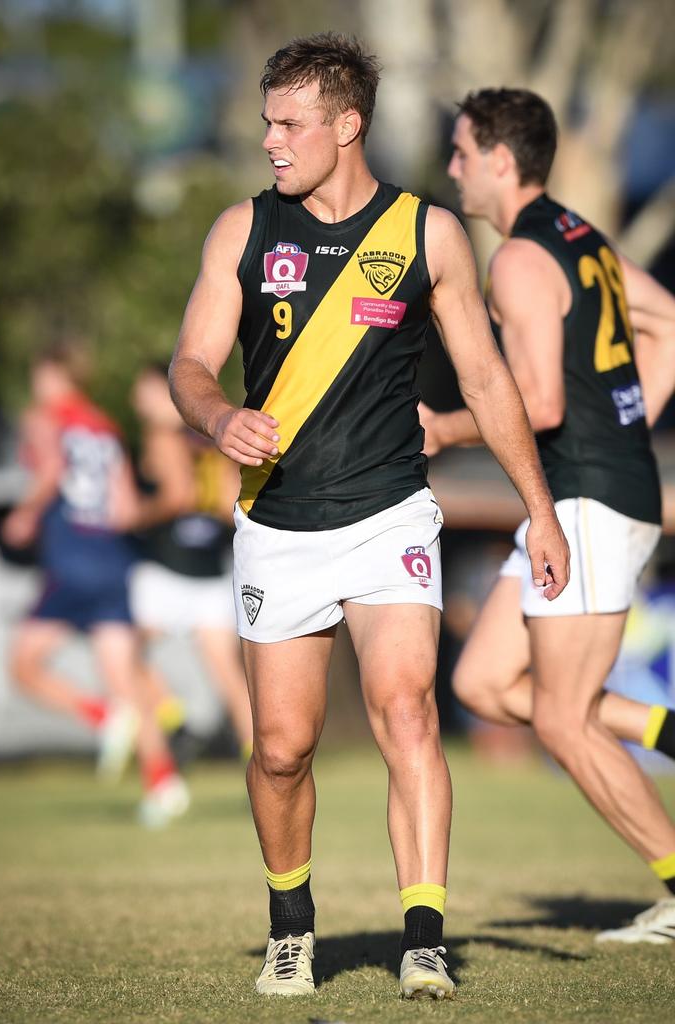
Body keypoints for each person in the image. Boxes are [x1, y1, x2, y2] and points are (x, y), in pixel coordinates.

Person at [167, 35, 569, 999]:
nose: (270, 139)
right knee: (280, 747)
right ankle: (291, 928)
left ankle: (423, 934)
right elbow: (189, 364)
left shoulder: (428, 234)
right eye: (266, 120)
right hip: (279, 526)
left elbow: (486, 377)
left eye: (288, 123)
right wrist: (219, 416)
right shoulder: (241, 231)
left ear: (347, 127)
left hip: (391, 515)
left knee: (406, 708)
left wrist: (540, 511)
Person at [423, 87, 675, 944]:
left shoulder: (520, 260)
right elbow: (668, 323)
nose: (451, 167)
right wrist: (630, 425)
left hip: (587, 503)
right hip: (585, 494)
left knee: (563, 720)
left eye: (460, 152)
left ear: (499, 159)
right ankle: (662, 730)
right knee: (482, 681)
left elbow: (534, 402)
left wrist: (444, 428)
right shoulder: (581, 238)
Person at [2, 340, 189, 828]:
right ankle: (164, 782)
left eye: (41, 376)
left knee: (23, 665)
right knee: (126, 678)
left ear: (56, 377)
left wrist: (26, 512)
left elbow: (50, 469)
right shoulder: (105, 426)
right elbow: (124, 505)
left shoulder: (45, 418)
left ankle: (102, 717)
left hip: (70, 560)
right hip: (112, 560)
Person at [129, 361, 253, 759]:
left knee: (127, 651)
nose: (137, 400)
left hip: (167, 566)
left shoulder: (160, 435)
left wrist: (134, 517)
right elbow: (231, 502)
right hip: (211, 567)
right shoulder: (213, 434)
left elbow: (177, 496)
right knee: (228, 674)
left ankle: (172, 719)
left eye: (145, 391)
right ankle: (259, 757)